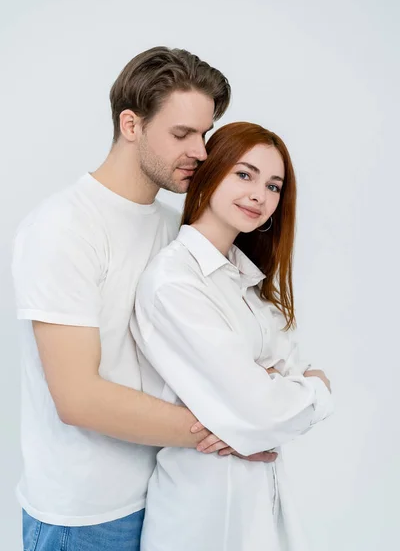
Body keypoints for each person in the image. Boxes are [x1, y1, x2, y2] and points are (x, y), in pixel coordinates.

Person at [12, 47, 272, 551]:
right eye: (181, 134)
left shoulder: (177, 230)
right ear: (130, 125)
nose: (200, 151)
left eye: (205, 133)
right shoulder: (63, 228)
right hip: (84, 517)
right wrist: (227, 431)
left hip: (168, 496)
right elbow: (78, 397)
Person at [132, 122, 334, 551]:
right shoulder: (175, 282)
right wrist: (316, 387)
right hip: (203, 510)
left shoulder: (243, 279)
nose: (260, 195)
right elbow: (265, 411)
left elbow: (273, 391)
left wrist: (264, 403)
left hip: (257, 502)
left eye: (274, 185)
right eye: (244, 174)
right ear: (211, 172)